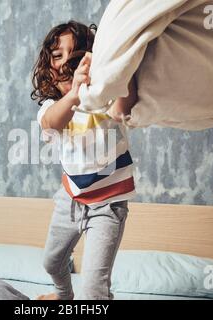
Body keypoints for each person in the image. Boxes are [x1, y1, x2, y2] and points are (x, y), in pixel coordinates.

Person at [30, 20, 138, 300]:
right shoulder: (50, 106)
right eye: (57, 55)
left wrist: (123, 64)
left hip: (107, 206)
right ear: (48, 68)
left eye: (75, 54)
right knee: (51, 263)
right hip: (71, 198)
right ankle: (64, 296)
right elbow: (52, 123)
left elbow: (121, 108)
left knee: (93, 292)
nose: (66, 63)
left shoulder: (103, 101)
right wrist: (74, 93)